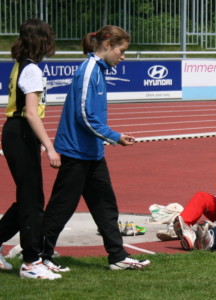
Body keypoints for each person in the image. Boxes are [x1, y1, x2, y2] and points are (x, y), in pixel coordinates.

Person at [39, 25, 150, 272]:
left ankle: (117, 256)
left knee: (105, 205)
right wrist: (114, 136)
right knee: (62, 207)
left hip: (92, 153)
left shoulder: (100, 70)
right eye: (122, 51)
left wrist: (108, 139)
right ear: (107, 46)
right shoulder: (88, 71)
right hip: (76, 153)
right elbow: (84, 116)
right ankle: (41, 255)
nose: (123, 57)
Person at [0, 19, 62, 279]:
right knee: (32, 200)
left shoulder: (21, 65)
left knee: (29, 197)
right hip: (22, 132)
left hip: (17, 132)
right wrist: (50, 147)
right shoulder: (32, 69)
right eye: (49, 37)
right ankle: (31, 262)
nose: (52, 43)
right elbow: (32, 113)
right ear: (41, 40)